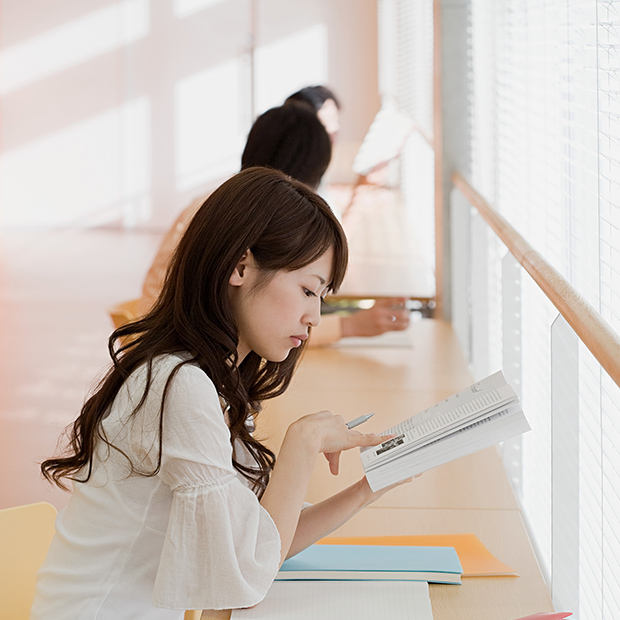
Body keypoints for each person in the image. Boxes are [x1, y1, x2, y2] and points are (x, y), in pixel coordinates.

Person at [32, 168, 407, 619]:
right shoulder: (180, 386)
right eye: (308, 289)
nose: (315, 318)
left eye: (322, 297)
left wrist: (369, 488)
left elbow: (259, 541)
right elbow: (241, 581)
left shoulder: (204, 378)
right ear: (240, 267)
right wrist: (302, 445)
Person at [138, 103, 409, 345]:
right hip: (171, 341)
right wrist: (349, 325)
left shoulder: (226, 203)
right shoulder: (239, 219)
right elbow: (258, 321)